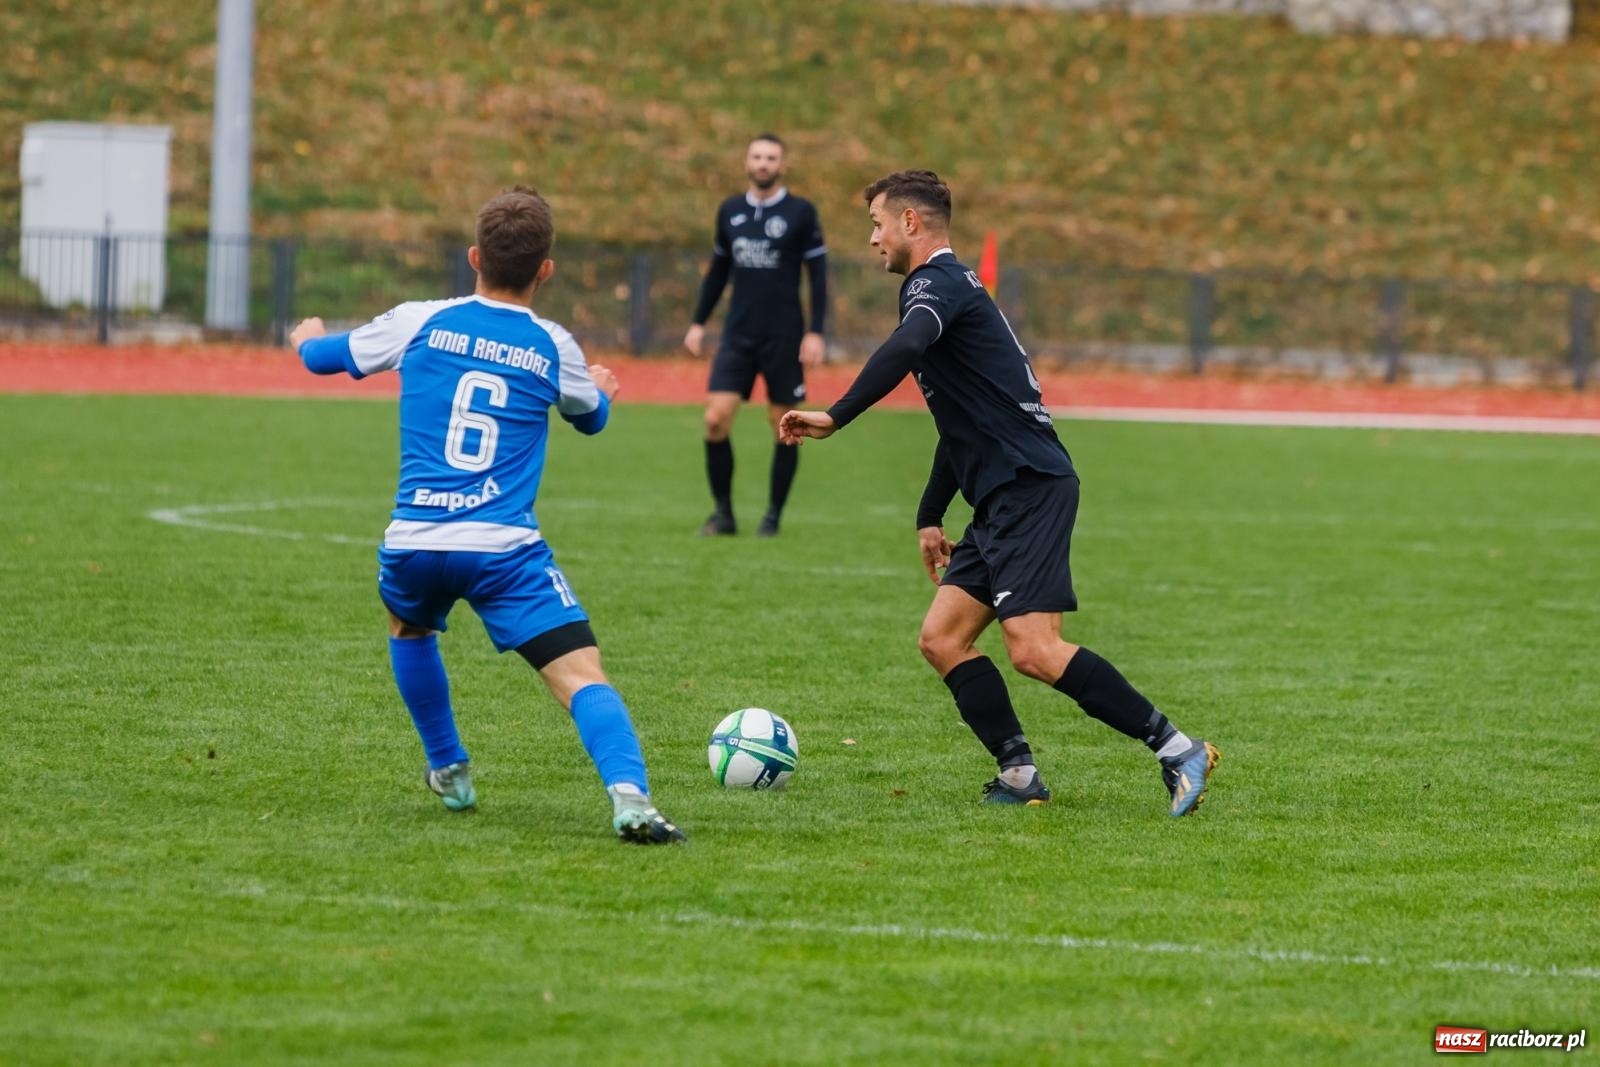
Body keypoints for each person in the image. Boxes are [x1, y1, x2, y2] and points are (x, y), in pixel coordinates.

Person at [779, 170, 1220, 816]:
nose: (871, 239)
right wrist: (931, 514)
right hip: (1002, 492)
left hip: (1029, 487)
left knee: (1034, 648)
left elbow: (905, 346)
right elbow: (960, 425)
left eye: (876, 223)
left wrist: (836, 414)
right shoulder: (950, 289)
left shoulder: (933, 284)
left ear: (910, 222)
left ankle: (1176, 746)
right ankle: (1018, 774)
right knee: (942, 637)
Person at [289, 186, 684, 844]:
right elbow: (591, 421)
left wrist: (305, 338)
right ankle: (630, 798)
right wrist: (605, 391)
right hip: (503, 550)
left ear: (474, 256)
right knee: (580, 674)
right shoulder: (552, 344)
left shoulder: (419, 320)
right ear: (546, 270)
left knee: (409, 628)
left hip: (415, 540)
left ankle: (449, 768)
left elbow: (325, 358)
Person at [684, 133, 829, 537]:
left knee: (782, 425)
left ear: (782, 165)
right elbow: (717, 273)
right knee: (715, 420)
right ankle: (723, 515)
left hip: (784, 335)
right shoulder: (729, 211)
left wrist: (815, 330)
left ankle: (772, 517)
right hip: (737, 335)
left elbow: (817, 276)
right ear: (747, 162)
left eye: (771, 157)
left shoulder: (801, 212)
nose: (763, 163)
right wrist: (698, 322)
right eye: (757, 156)